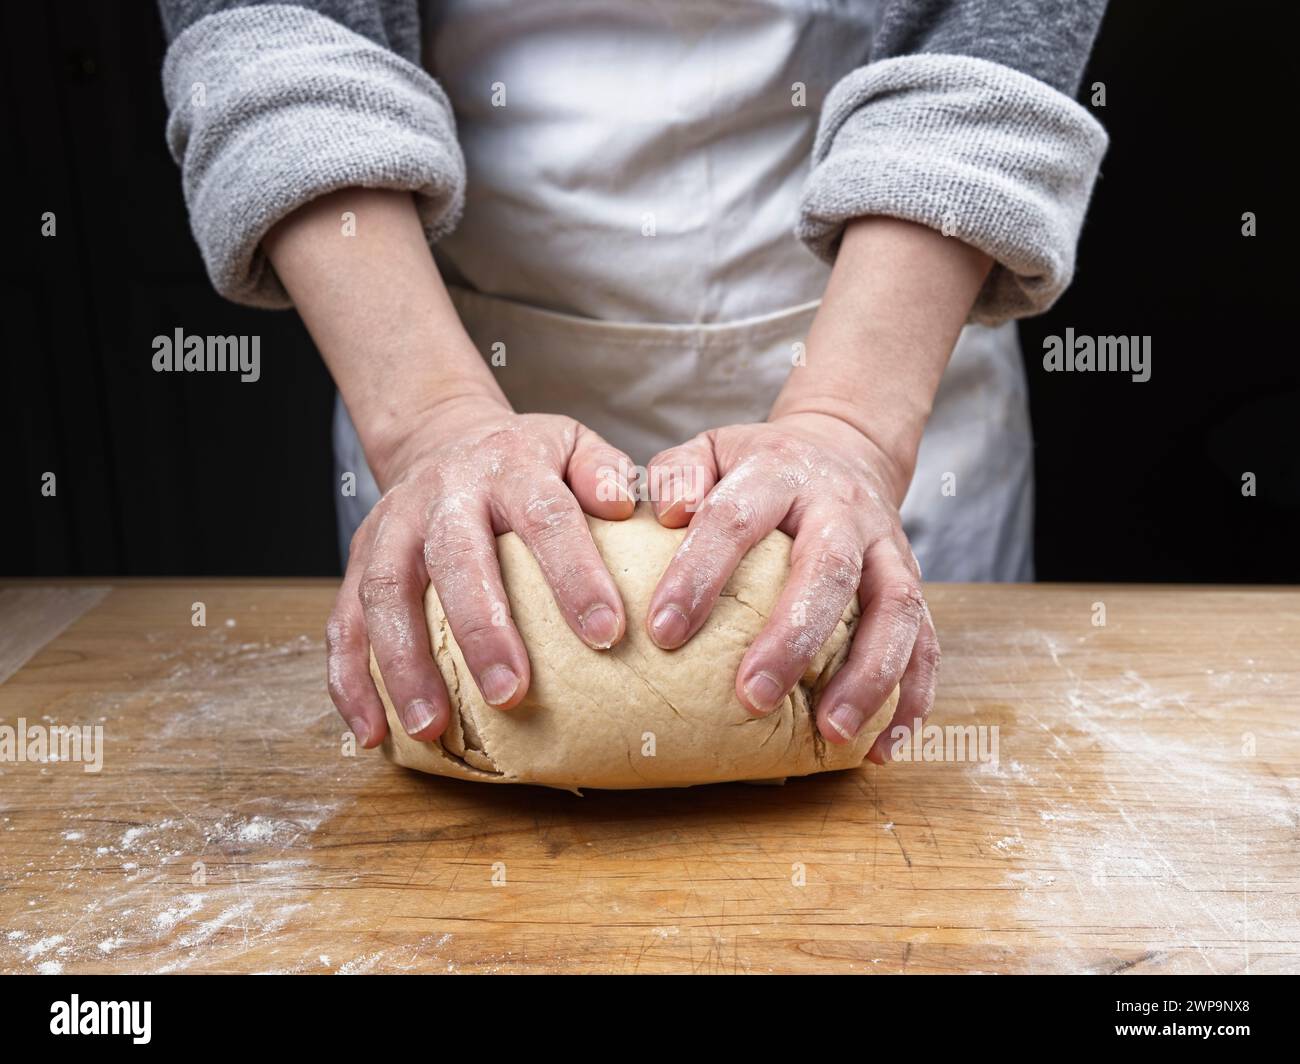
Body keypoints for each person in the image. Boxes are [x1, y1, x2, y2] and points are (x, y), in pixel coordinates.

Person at [158, 0, 1108, 761]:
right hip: (437, 344)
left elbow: (995, 28)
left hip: (889, 326)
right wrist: (429, 424)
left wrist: (850, 425)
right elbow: (284, 36)